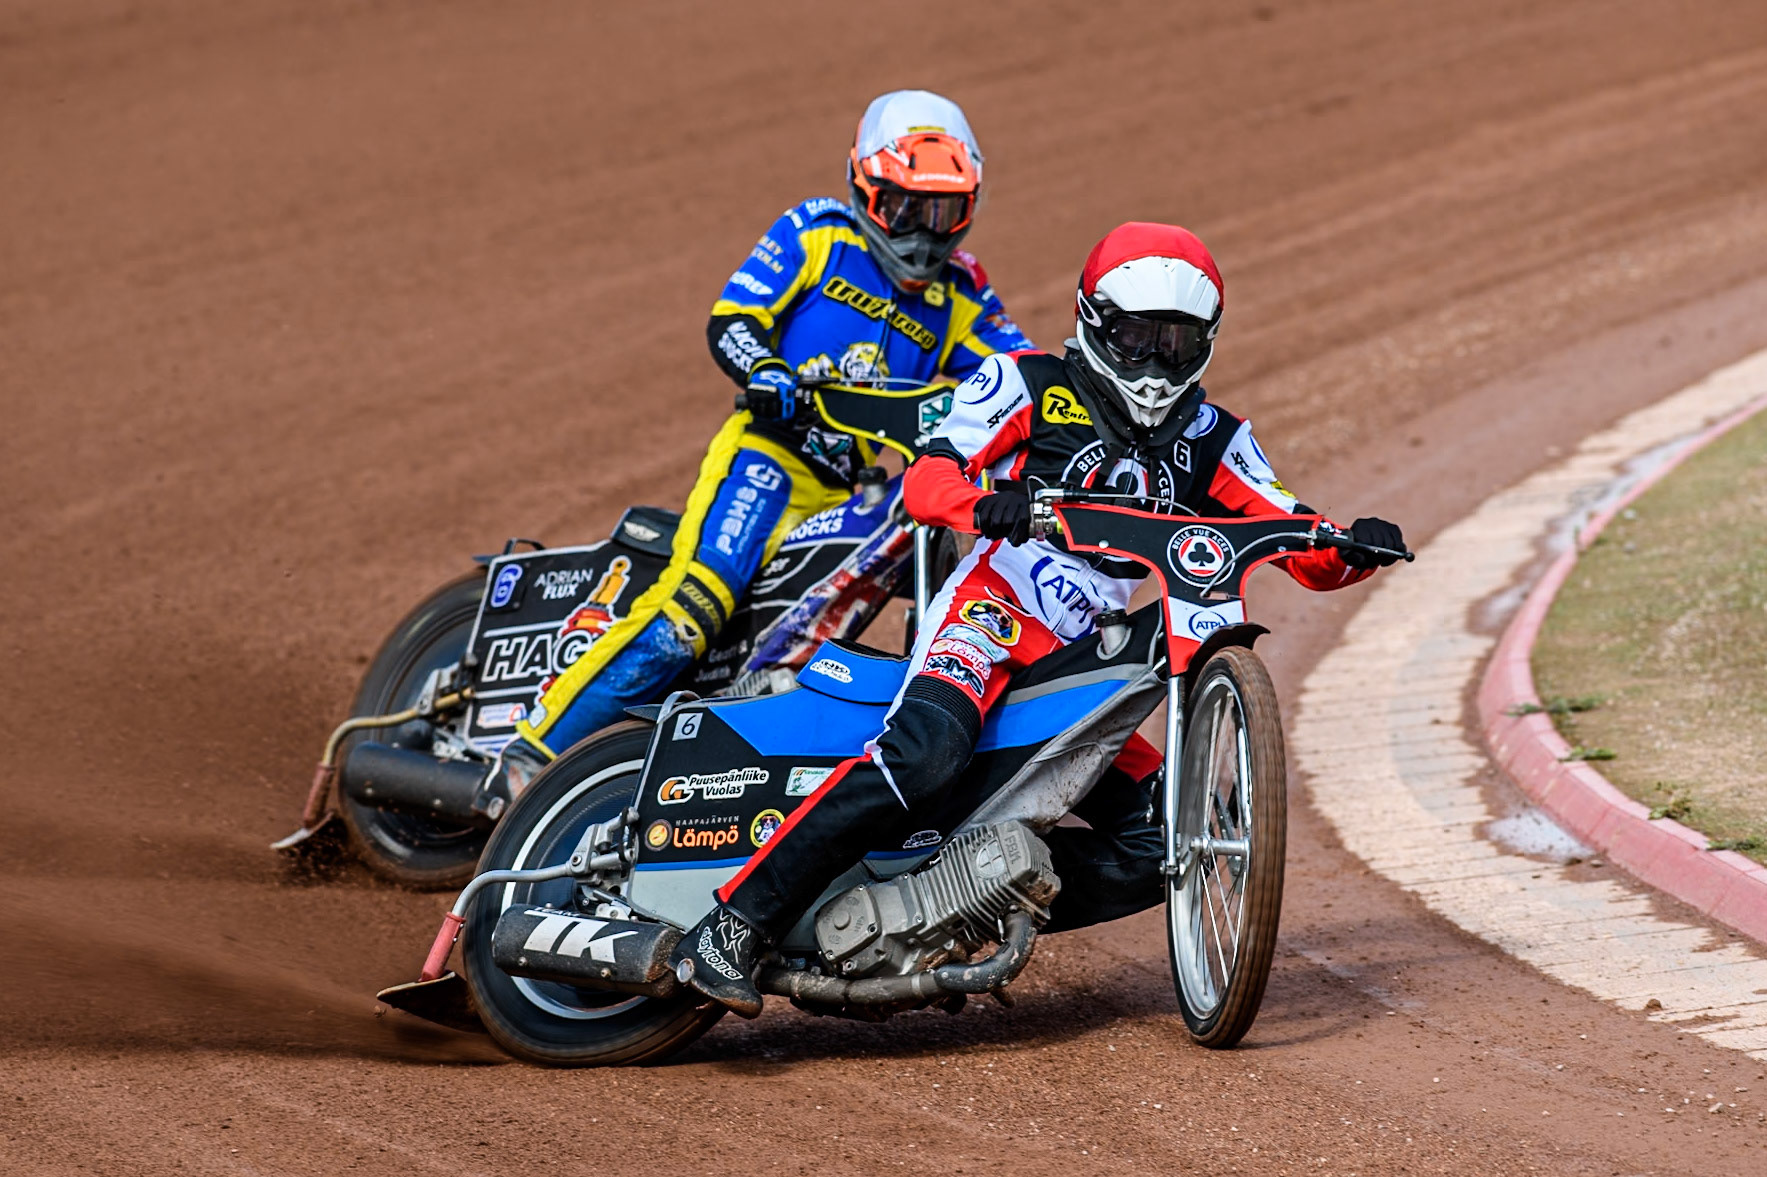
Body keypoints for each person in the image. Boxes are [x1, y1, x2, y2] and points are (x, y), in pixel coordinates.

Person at [670, 221, 1407, 1016]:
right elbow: (929, 479)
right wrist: (986, 501)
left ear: (1206, 342)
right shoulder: (1024, 381)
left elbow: (1292, 536)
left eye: (1177, 341)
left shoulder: (1214, 438)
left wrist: (1347, 545)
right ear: (1094, 322)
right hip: (990, 614)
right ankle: (731, 926)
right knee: (924, 757)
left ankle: (957, 910)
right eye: (1136, 336)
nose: (1156, 360)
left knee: (1155, 843)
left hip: (1085, 663)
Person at [484, 91, 1033, 798]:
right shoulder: (817, 233)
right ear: (867, 187)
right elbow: (734, 318)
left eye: (945, 213)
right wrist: (767, 368)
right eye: (907, 209)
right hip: (768, 459)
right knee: (695, 609)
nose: (925, 236)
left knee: (943, 567)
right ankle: (531, 754)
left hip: (852, 492)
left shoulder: (962, 292)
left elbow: (1022, 374)